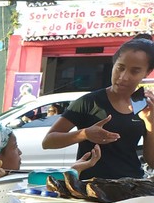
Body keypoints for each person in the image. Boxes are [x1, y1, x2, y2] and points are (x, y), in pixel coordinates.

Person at [42, 37, 154, 180]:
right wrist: (84, 134)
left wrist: (151, 123)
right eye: (120, 68)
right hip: (90, 188)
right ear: (114, 64)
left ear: (147, 72)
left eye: (135, 71)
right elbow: (48, 142)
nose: (123, 77)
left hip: (131, 189)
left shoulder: (146, 106)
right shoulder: (89, 102)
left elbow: (152, 162)